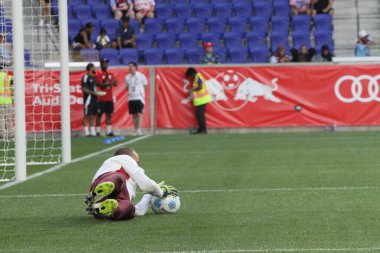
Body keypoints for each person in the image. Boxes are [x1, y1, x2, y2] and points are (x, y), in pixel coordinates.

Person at [85, 147, 178, 220]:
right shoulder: (124, 158)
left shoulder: (130, 182)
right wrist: (161, 192)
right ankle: (105, 198)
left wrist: (148, 196)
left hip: (103, 197)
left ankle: (103, 207)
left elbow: (139, 211)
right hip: (109, 180)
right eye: (137, 162)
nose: (138, 165)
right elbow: (147, 185)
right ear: (130, 158)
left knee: (129, 207)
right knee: (118, 178)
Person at [185, 67, 212, 135]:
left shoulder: (198, 77)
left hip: (202, 100)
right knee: (199, 115)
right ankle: (201, 130)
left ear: (192, 74)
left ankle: (203, 130)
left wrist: (191, 90)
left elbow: (200, 87)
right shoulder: (197, 77)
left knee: (200, 115)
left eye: (190, 76)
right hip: (200, 100)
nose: (190, 78)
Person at [95, 58, 118, 136]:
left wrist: (113, 82)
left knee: (109, 115)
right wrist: (109, 83)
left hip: (109, 98)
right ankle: (97, 131)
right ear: (101, 64)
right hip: (101, 98)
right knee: (99, 115)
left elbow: (115, 83)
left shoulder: (110, 73)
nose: (105, 65)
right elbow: (100, 85)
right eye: (104, 63)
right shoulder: (98, 73)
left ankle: (109, 131)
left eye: (106, 63)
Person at [125, 62, 147, 136]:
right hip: (131, 98)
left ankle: (139, 129)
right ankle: (135, 129)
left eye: (131, 66)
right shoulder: (127, 77)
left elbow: (145, 86)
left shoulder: (141, 76)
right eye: (129, 67)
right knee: (133, 114)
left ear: (135, 67)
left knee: (139, 114)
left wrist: (140, 92)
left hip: (139, 97)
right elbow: (127, 87)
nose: (129, 68)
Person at [82, 63, 100, 137]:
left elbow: (94, 88)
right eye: (94, 67)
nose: (95, 69)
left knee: (93, 114)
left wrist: (97, 93)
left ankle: (92, 131)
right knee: (86, 114)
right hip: (88, 98)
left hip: (94, 98)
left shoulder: (94, 77)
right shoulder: (86, 77)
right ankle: (86, 132)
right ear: (90, 68)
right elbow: (84, 88)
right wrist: (92, 92)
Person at [0, 68, 14, 139]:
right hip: (8, 100)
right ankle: (10, 134)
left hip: (0, 101)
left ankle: (1, 134)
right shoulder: (9, 77)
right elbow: (12, 88)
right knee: (8, 118)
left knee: (1, 118)